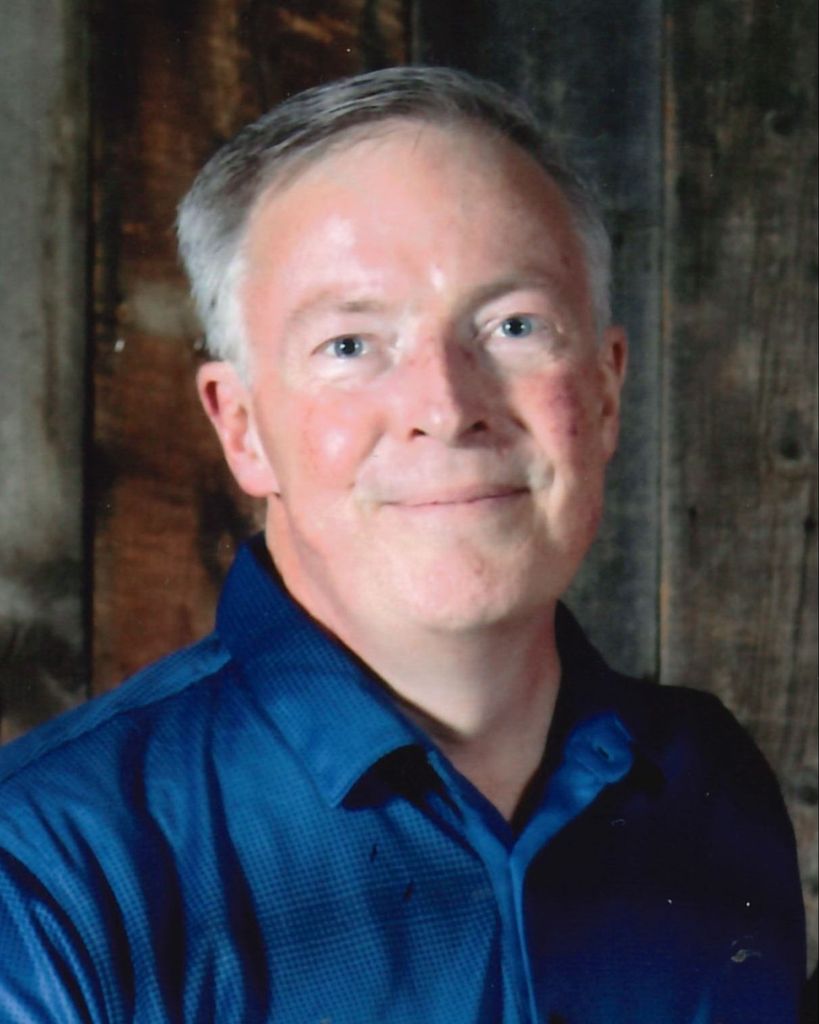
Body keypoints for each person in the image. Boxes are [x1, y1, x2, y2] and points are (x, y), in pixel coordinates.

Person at [0, 67, 806, 1023]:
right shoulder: (46, 874)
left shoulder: (709, 782)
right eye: (351, 345)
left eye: (513, 326)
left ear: (603, 393)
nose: (446, 407)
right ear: (242, 428)